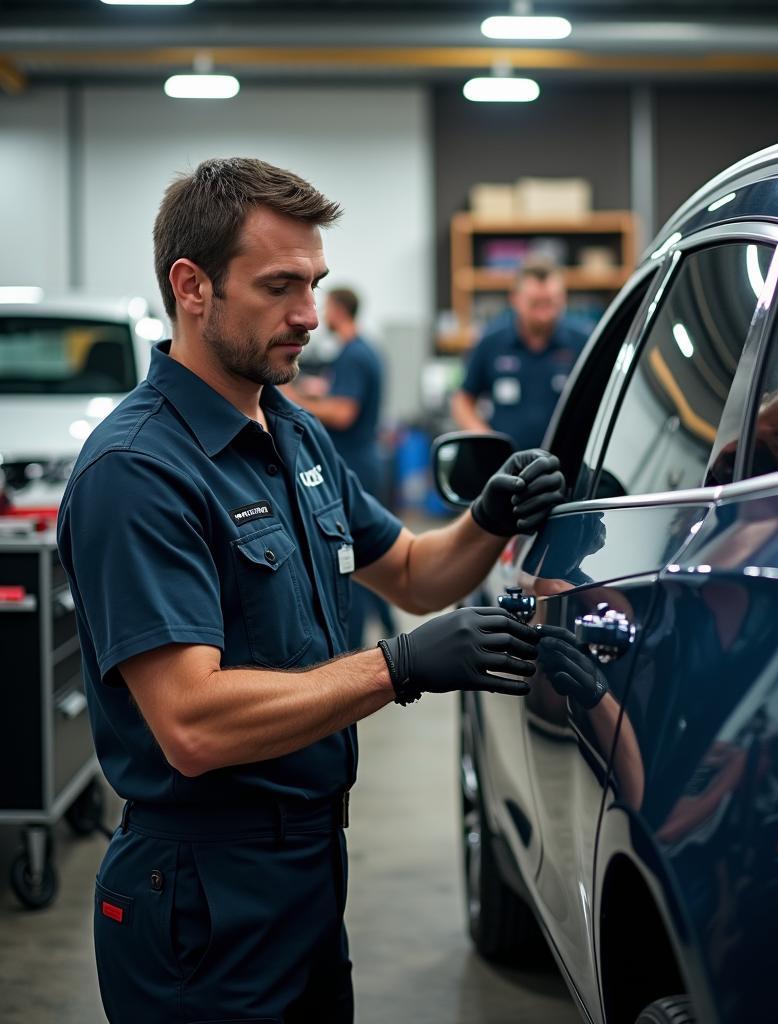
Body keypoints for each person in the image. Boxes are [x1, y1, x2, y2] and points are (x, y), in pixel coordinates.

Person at [56, 156, 566, 1024]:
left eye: (317, 285)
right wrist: (396, 667)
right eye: (280, 286)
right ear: (193, 287)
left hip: (307, 869)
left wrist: (489, 517)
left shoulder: (287, 430)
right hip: (202, 893)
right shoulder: (139, 471)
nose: (310, 317)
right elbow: (190, 722)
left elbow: (409, 570)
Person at [283, 286, 395, 647]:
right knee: (365, 551)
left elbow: (345, 412)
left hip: (356, 463)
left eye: (326, 306)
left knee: (351, 560)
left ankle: (354, 648)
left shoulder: (352, 355)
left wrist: (294, 399)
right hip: (366, 459)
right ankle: (387, 620)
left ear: (339, 311)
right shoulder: (363, 350)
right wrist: (319, 391)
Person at [451, 258, 590, 450]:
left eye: (549, 303)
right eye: (535, 304)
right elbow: (462, 400)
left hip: (566, 463)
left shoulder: (583, 343)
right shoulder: (491, 342)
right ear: (515, 299)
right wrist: (485, 440)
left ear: (563, 298)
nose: (543, 313)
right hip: (506, 465)